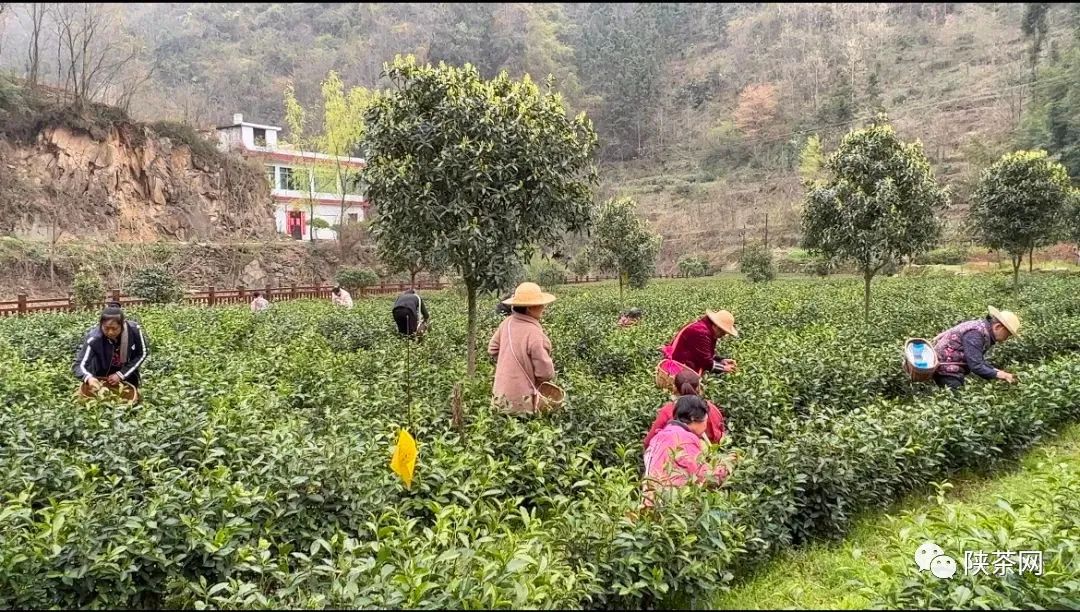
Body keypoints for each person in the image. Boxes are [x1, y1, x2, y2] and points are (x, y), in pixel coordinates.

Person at [642, 395, 729, 508]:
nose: (705, 426)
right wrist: (727, 466)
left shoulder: (660, 435)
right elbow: (704, 477)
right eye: (705, 421)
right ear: (693, 418)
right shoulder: (685, 439)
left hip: (650, 502)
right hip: (670, 506)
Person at [487, 282, 556, 415]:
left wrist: (508, 364)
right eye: (540, 304)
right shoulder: (534, 333)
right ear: (530, 308)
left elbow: (492, 349)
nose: (543, 307)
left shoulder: (506, 323)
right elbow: (545, 373)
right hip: (523, 402)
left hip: (500, 397)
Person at [932, 306, 1020, 390]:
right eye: (1007, 335)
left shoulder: (981, 328)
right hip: (945, 368)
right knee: (956, 396)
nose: (1006, 338)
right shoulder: (976, 334)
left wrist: (998, 372)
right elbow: (976, 366)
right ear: (998, 327)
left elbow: (978, 360)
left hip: (947, 365)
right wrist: (1001, 375)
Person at [73, 303, 148, 399]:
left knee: (129, 401)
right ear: (101, 325)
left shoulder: (134, 331)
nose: (110, 332)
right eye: (106, 328)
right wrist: (88, 378)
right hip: (102, 378)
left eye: (114, 328)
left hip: (127, 375)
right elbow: (79, 365)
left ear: (122, 325)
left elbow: (142, 353)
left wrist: (121, 374)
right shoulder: (94, 338)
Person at [644, 370, 725, 449]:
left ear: (674, 388)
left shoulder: (668, 410)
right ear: (699, 387)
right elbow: (719, 435)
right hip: (711, 454)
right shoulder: (710, 408)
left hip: (679, 454)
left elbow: (649, 442)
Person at [663, 310, 739, 377]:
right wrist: (724, 368)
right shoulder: (701, 332)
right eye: (723, 332)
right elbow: (705, 361)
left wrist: (721, 360)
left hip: (680, 366)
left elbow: (701, 353)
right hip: (677, 369)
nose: (723, 335)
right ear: (716, 326)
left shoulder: (703, 327)